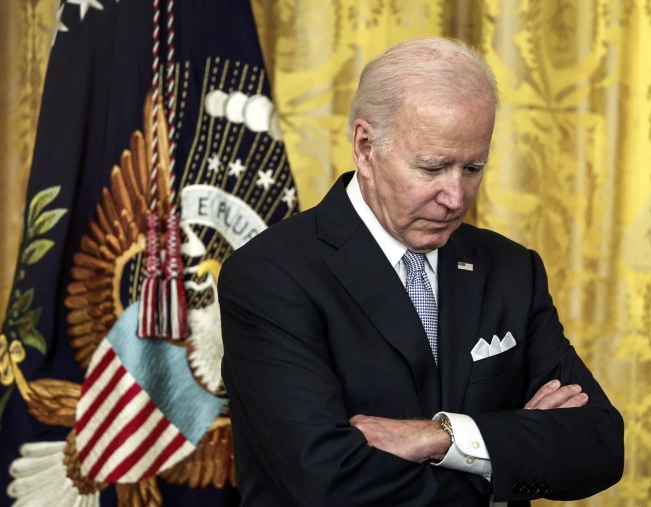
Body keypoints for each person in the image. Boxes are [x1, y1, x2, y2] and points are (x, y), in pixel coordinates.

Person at [218, 37, 624, 507]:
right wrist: (508, 456)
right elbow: (329, 486)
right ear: (366, 147)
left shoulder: (512, 269)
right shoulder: (271, 275)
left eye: (473, 167)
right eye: (432, 168)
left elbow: (599, 443)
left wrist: (443, 437)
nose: (456, 197)